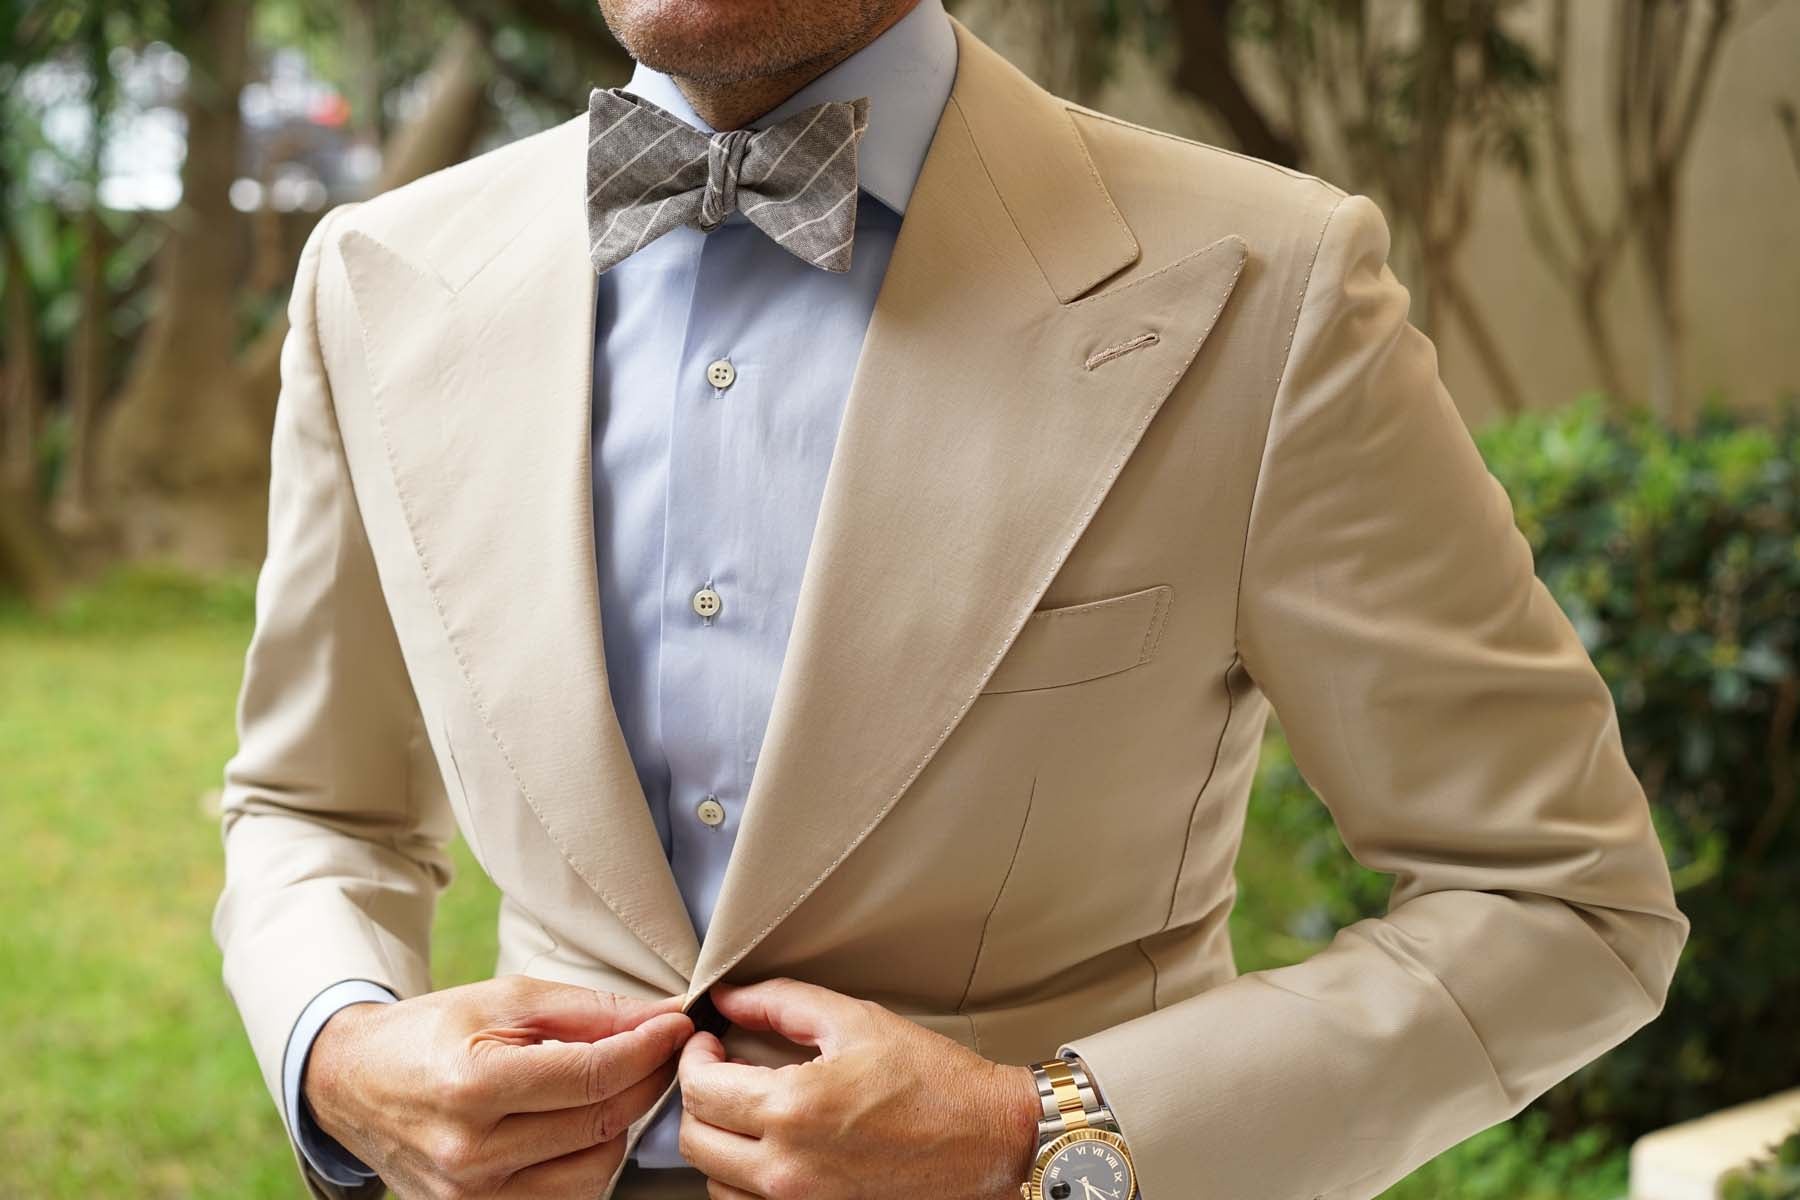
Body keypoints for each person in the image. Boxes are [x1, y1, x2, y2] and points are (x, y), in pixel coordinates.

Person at [210, 0, 1691, 1197]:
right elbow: (311, 810)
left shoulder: (1272, 286)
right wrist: (337, 1049)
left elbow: (1562, 901)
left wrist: (1037, 1133)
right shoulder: (378, 276)